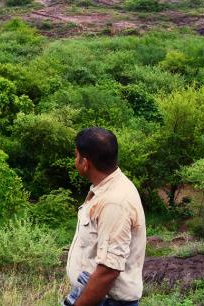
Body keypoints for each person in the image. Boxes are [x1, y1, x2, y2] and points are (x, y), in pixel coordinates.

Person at [64, 127, 146, 306]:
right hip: (93, 294)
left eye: (76, 155)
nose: (75, 160)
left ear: (85, 163)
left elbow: (109, 270)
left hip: (107, 301)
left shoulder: (114, 202)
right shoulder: (107, 188)